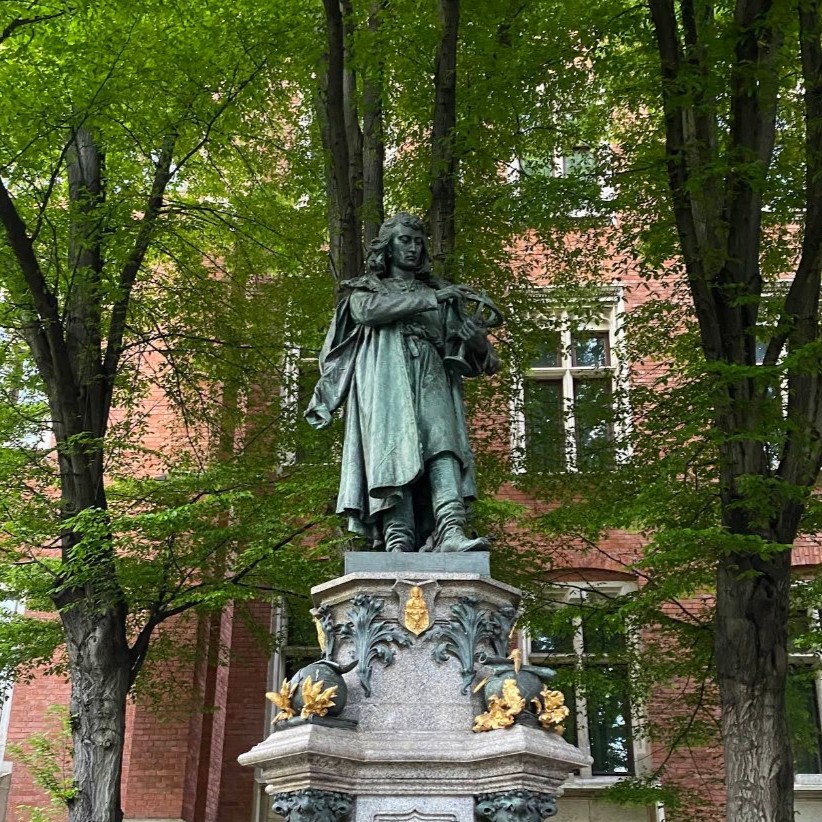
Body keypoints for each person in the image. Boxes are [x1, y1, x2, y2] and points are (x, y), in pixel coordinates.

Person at [305, 213, 501, 552]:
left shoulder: (440, 295)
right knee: (393, 452)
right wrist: (433, 299)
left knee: (444, 446)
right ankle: (398, 540)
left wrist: (477, 342)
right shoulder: (367, 291)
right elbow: (369, 312)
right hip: (385, 381)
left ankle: (451, 531)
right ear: (388, 247)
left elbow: (479, 359)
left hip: (432, 374)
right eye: (404, 241)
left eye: (418, 242)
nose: (412, 248)